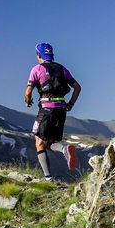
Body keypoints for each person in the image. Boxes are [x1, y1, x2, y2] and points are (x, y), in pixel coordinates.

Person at [24, 42, 81, 181]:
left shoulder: (37, 69)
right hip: (61, 110)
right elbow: (77, 87)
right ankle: (64, 150)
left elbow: (28, 92)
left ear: (39, 55)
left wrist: (28, 101)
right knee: (48, 142)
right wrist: (70, 104)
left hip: (46, 109)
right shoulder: (62, 69)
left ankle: (48, 178)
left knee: (39, 142)